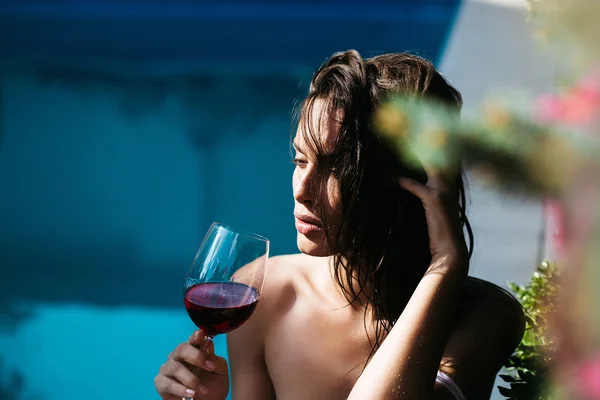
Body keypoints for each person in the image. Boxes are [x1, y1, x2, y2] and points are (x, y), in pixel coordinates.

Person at [154, 50, 526, 400]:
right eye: (300, 160)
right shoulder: (265, 295)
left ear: (409, 179)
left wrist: (446, 263)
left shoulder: (484, 316)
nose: (303, 191)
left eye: (335, 169)